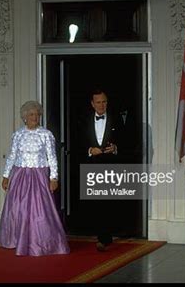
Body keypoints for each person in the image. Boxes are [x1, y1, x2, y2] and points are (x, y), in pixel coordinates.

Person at [0, 100, 70, 256]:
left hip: (39, 176)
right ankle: (16, 240)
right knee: (18, 209)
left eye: (37, 114)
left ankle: (43, 242)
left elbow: (52, 157)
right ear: (24, 117)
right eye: (31, 114)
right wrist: (5, 175)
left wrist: (54, 177)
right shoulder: (17, 134)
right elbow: (12, 156)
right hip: (19, 176)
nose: (34, 117)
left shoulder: (46, 134)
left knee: (40, 211)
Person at [79, 89, 124, 251]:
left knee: (109, 201)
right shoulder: (84, 120)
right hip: (91, 166)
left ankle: (105, 237)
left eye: (104, 101)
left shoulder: (117, 119)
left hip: (111, 165)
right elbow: (77, 140)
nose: (101, 105)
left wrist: (116, 147)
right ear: (92, 104)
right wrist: (90, 150)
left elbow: (128, 139)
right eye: (98, 102)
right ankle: (101, 236)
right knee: (96, 202)